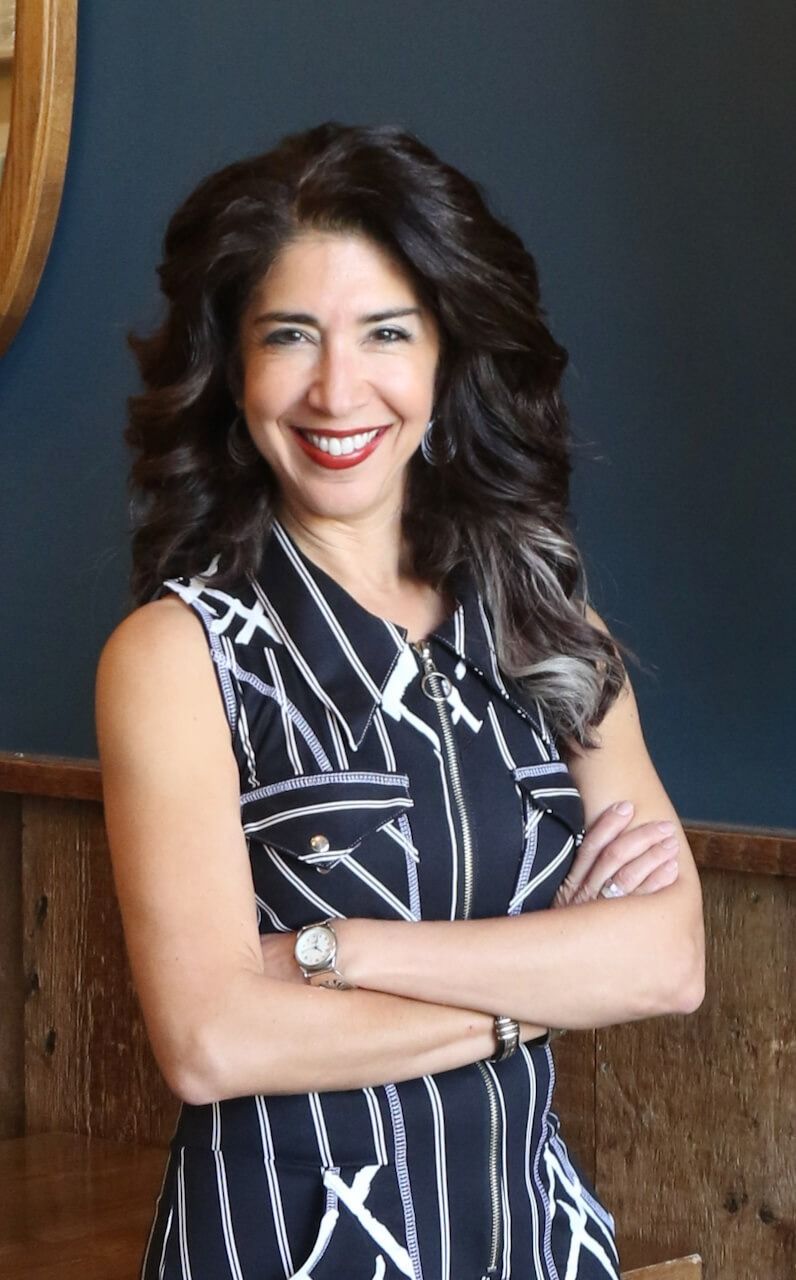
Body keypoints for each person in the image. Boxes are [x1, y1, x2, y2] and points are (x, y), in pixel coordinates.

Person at [95, 122, 705, 1280]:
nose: (338, 388)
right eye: (290, 335)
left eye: (385, 331)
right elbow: (213, 1037)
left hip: (539, 1245)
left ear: (445, 357)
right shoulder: (175, 656)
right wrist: (538, 996)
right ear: (231, 368)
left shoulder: (553, 630)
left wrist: (333, 950)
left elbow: (668, 958)